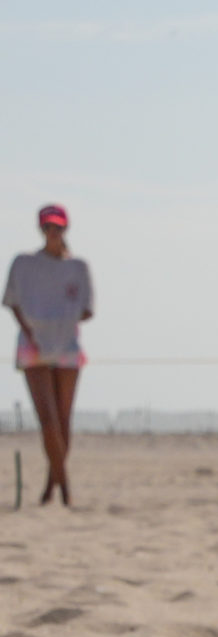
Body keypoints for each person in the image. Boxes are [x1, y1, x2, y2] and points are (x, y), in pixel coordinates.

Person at [6, 204, 91, 507]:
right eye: (47, 227)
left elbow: (87, 309)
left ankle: (51, 486)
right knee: (48, 421)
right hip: (34, 347)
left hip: (66, 348)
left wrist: (58, 323)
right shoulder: (23, 264)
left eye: (57, 227)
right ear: (41, 229)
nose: (52, 233)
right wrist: (34, 330)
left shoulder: (78, 268)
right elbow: (12, 301)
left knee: (63, 420)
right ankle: (64, 486)